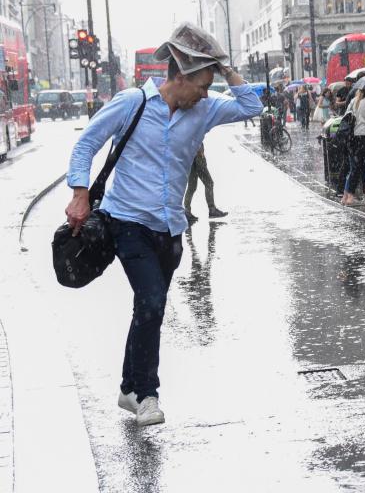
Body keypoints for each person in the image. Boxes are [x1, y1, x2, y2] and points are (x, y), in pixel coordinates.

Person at [65, 22, 262, 427]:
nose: (207, 93)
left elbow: (251, 106)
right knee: (152, 302)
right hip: (128, 222)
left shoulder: (203, 110)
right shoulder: (132, 102)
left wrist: (222, 67)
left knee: (147, 308)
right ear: (181, 75)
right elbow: (87, 143)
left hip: (170, 229)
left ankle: (126, 387)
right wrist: (80, 192)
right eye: (203, 83)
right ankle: (147, 394)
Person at [184, 143, 228, 224]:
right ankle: (212, 209)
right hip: (197, 156)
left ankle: (187, 211)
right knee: (209, 183)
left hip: (189, 157)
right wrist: (200, 153)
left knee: (192, 187)